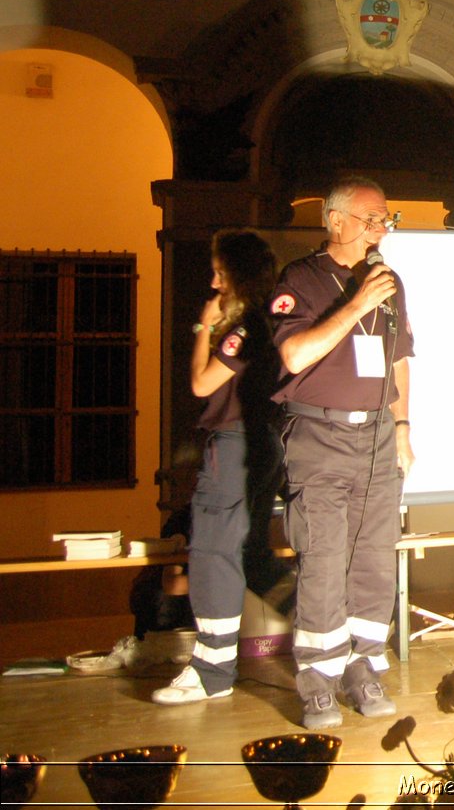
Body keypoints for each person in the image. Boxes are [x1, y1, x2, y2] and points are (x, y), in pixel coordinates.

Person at [269, 177, 415, 730]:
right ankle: (318, 683)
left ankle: (363, 668)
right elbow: (296, 352)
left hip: (378, 436)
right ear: (334, 221)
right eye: (372, 219)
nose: (382, 229)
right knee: (325, 561)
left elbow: (401, 357)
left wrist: (403, 427)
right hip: (320, 439)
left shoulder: (389, 282)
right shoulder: (300, 279)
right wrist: (357, 303)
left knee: (375, 557)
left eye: (386, 219)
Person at [154, 231, 284, 705]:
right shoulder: (271, 320)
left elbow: (201, 384)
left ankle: (211, 670)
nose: (213, 281)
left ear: (237, 275)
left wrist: (201, 329)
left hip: (231, 445)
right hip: (258, 443)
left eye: (219, 272)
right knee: (246, 552)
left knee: (212, 551)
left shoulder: (243, 327)